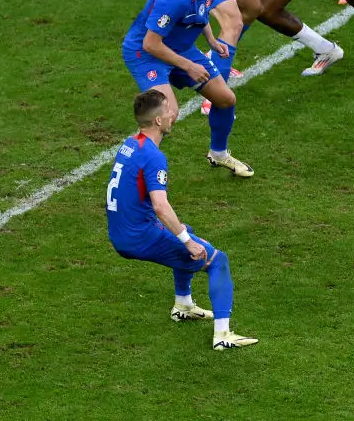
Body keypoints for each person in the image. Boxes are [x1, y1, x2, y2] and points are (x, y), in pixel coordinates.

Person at [105, 90, 258, 350]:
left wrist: (183, 235)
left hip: (121, 230)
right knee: (216, 259)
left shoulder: (130, 144)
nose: (173, 114)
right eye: (167, 111)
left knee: (185, 230)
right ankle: (223, 335)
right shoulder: (154, 157)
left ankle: (183, 304)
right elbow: (161, 207)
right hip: (140, 236)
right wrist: (188, 243)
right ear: (157, 121)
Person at [123, 0, 253, 176]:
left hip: (180, 47)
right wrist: (189, 67)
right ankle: (128, 167)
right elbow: (151, 44)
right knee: (165, 116)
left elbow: (199, 12)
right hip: (146, 54)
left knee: (225, 99)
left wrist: (212, 41)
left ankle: (219, 154)